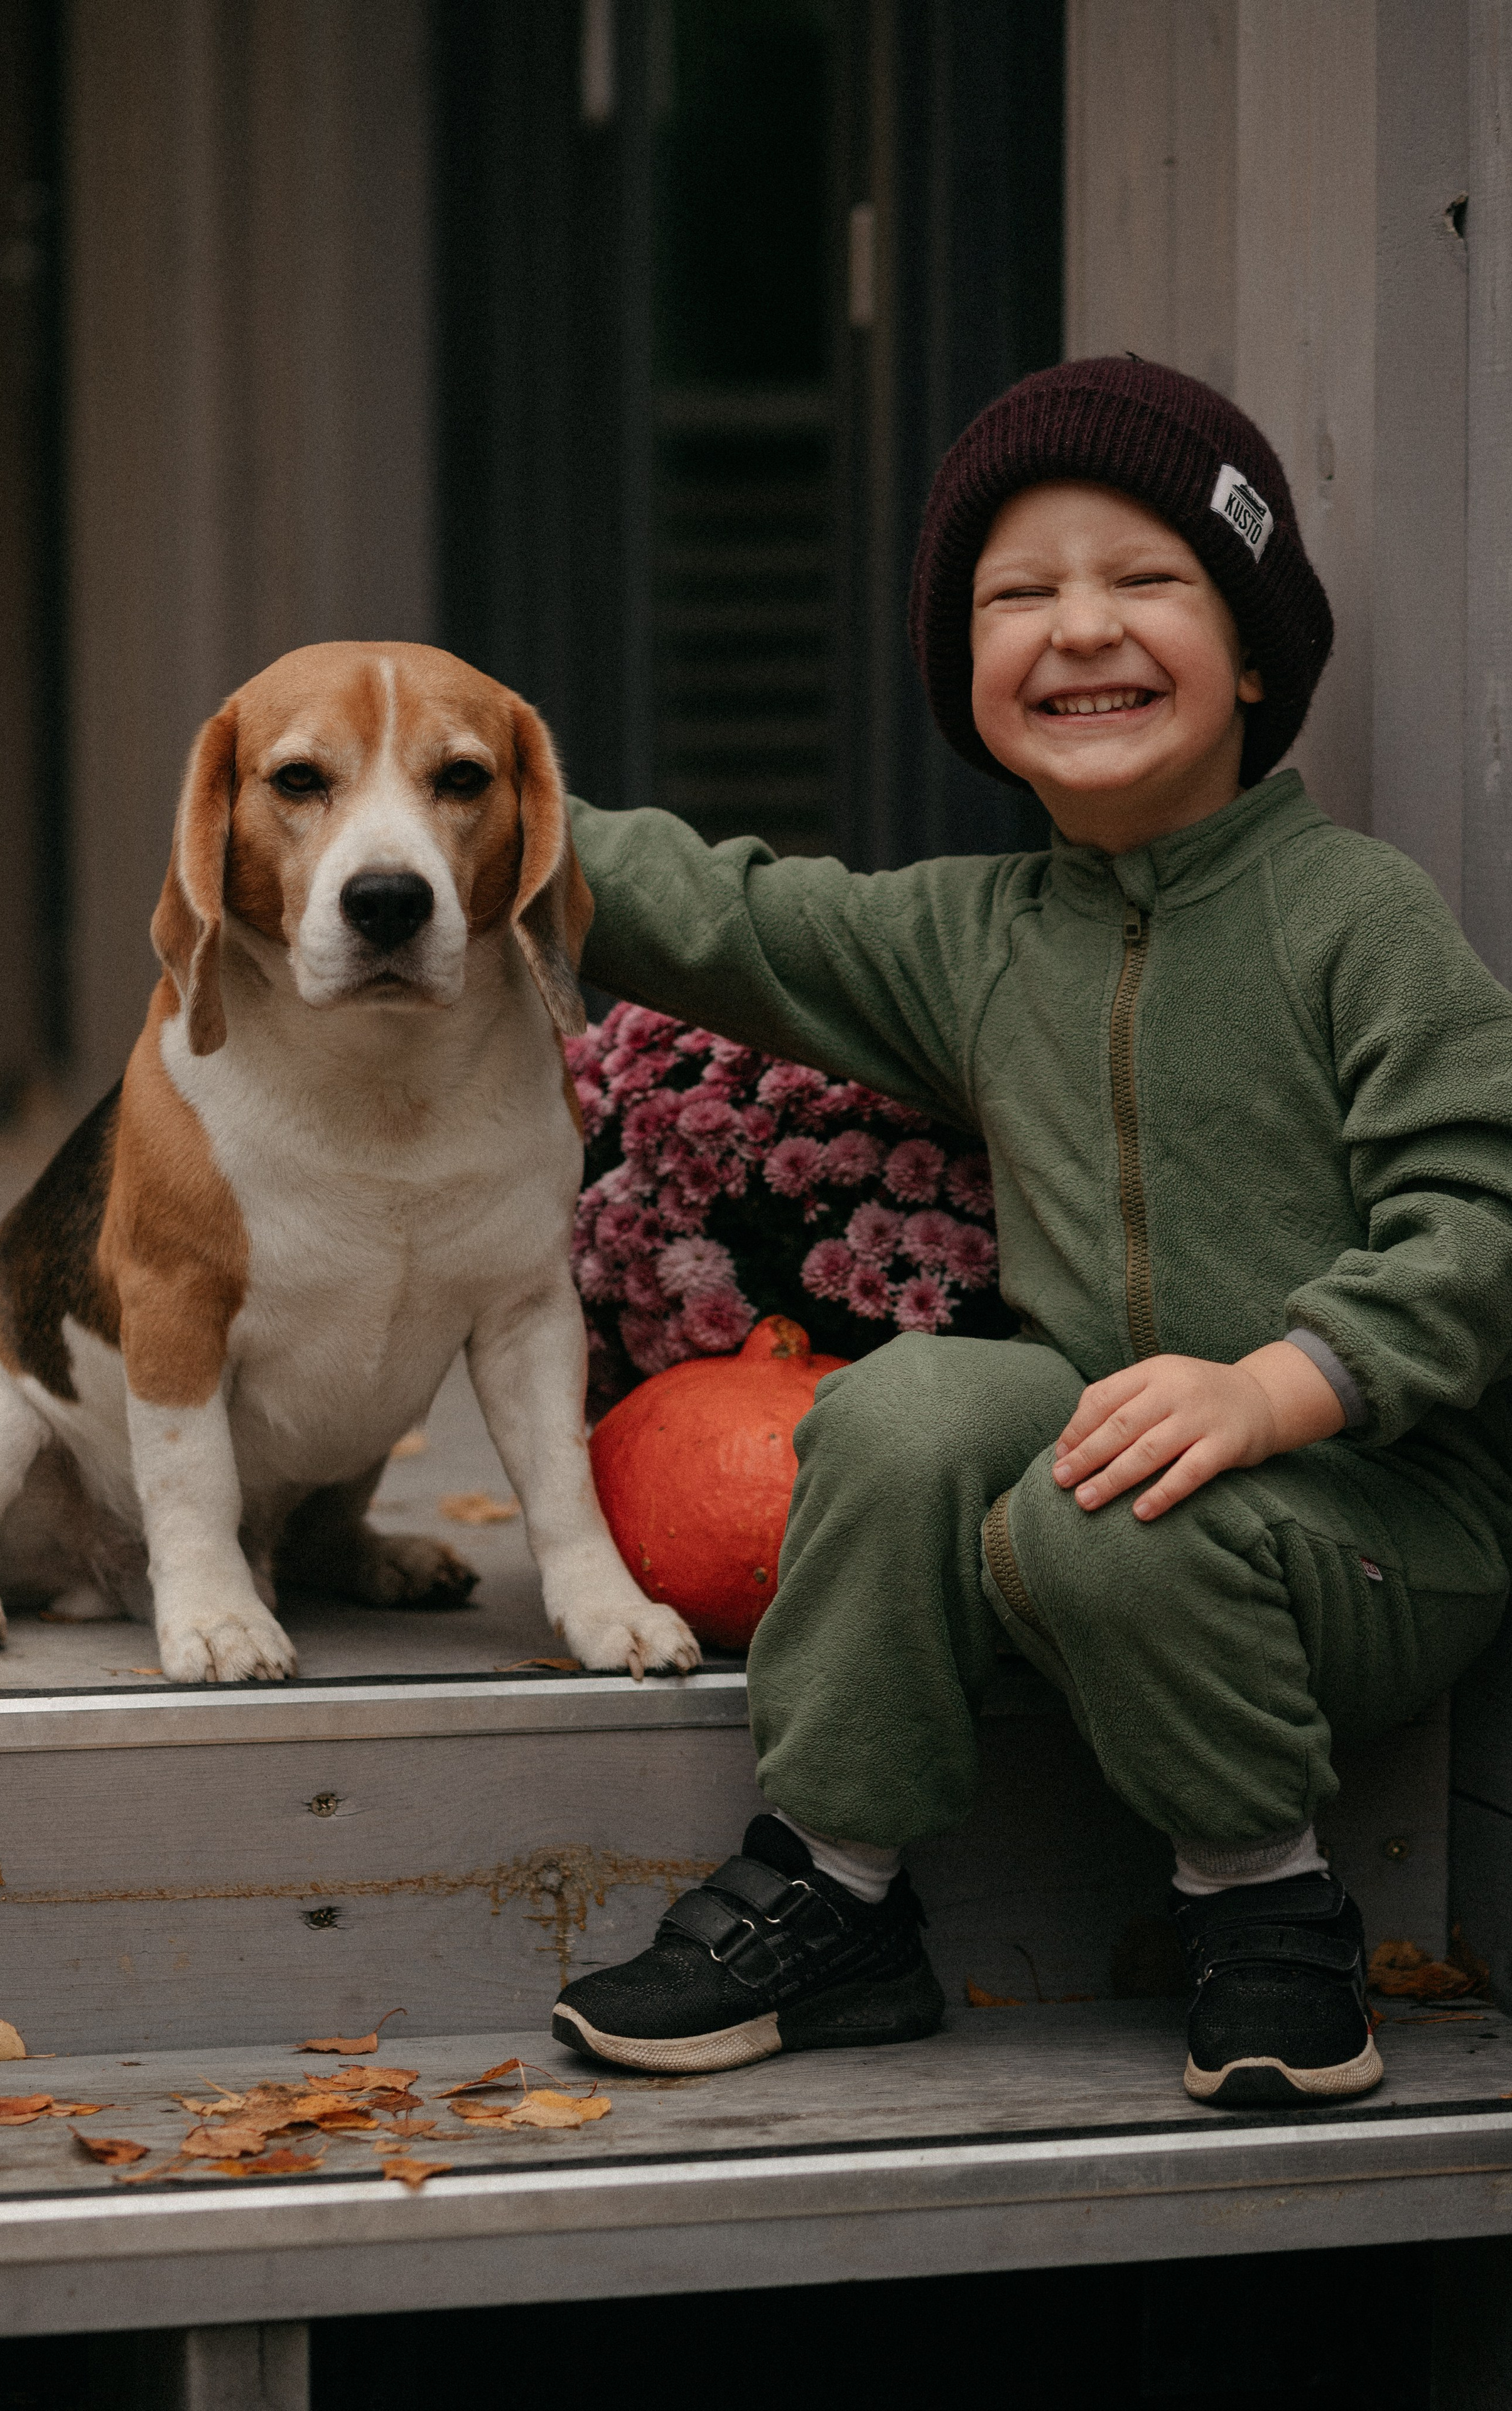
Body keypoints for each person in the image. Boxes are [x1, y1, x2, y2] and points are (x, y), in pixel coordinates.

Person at [550, 356, 1512, 2106]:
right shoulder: (980, 938)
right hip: (1115, 1442)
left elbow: (1482, 1221)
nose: (1080, 629)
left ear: (1255, 650)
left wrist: (1281, 1386)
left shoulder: (1359, 916)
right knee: (909, 1406)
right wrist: (453, 787)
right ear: (963, 672)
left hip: (1384, 1514)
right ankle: (836, 1894)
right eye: (1019, 595)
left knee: (1106, 1529)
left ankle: (1265, 1903)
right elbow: (733, 919)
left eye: (1146, 581)